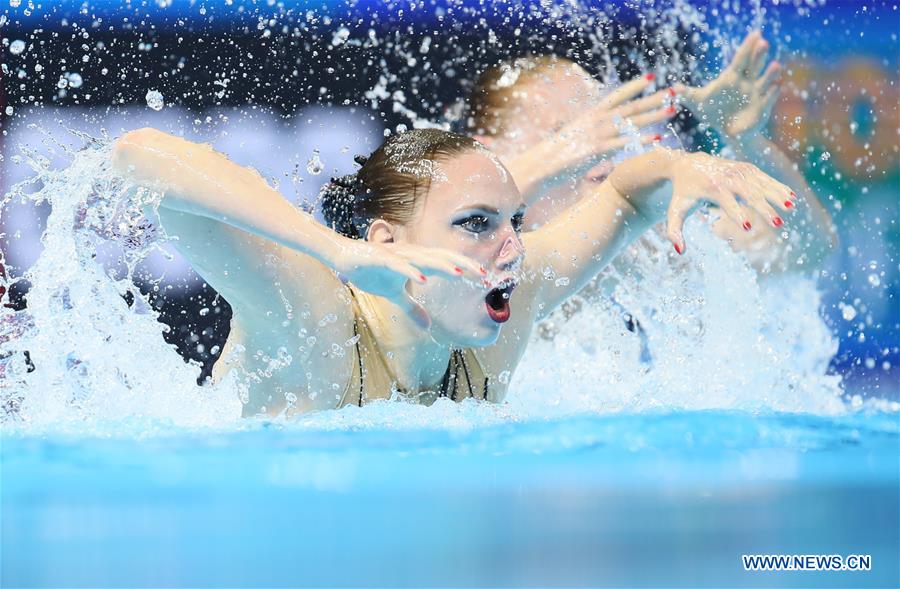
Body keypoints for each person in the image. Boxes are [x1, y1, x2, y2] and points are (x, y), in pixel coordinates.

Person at [112, 123, 794, 416]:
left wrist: (682, 166)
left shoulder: (501, 317)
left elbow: (621, 194)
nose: (513, 248)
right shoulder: (316, 320)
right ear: (386, 241)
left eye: (513, 223)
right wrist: (343, 253)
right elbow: (141, 155)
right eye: (476, 224)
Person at [469, 31, 837, 274]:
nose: (598, 160)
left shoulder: (647, 248)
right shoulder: (462, 265)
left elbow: (806, 249)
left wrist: (748, 144)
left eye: (607, 133)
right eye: (567, 137)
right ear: (491, 155)